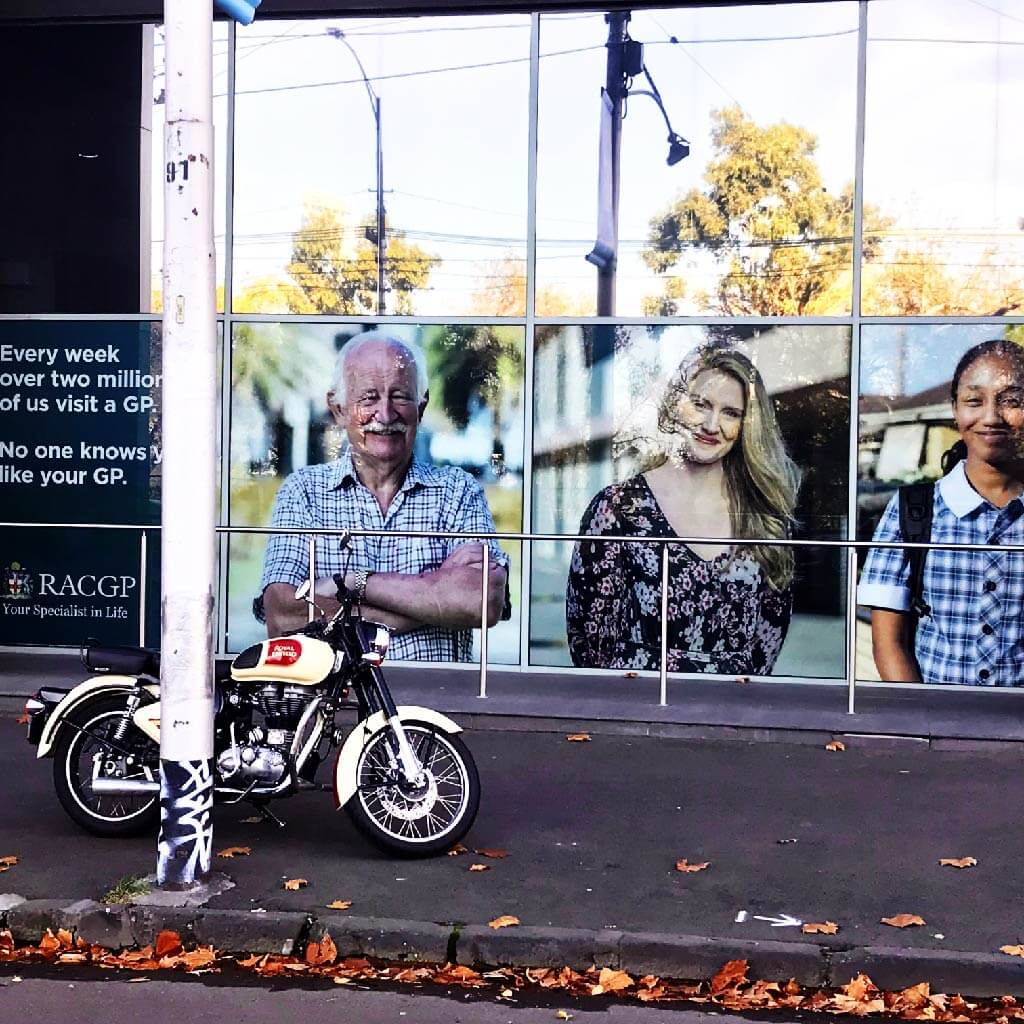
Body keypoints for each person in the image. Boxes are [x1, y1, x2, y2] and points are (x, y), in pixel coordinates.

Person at [257, 332, 508, 662]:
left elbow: (482, 600)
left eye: (401, 397)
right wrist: (438, 598)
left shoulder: (458, 490)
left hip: (436, 705)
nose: (386, 415)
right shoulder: (303, 492)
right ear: (338, 408)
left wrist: (353, 583)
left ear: (421, 406)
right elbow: (284, 616)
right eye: (369, 398)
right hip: (339, 705)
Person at [566, 346, 801, 675]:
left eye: (730, 412)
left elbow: (765, 647)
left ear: (747, 426)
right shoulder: (618, 508)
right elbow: (589, 644)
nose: (711, 424)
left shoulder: (764, 520)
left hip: (729, 715)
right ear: (676, 406)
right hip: (635, 712)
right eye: (700, 404)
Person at [859, 338, 1024, 685]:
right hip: (938, 724)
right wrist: (923, 722)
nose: (991, 417)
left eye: (1011, 401)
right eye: (974, 401)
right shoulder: (913, 511)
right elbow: (888, 643)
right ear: (955, 409)